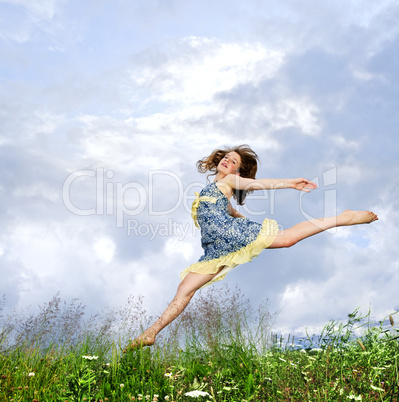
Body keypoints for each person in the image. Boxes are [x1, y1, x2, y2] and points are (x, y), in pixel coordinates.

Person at [124, 145, 378, 351]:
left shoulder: (231, 181)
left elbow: (256, 185)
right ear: (218, 160)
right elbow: (233, 212)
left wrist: (289, 183)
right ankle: (150, 333)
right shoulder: (213, 189)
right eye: (226, 157)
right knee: (184, 291)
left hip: (229, 236)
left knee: (287, 239)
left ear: (238, 172)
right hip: (215, 249)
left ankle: (343, 218)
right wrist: (252, 229)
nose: (228, 161)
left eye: (234, 162)